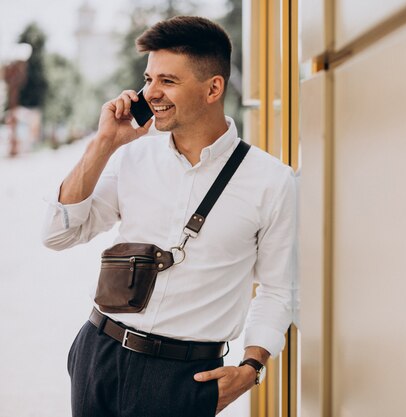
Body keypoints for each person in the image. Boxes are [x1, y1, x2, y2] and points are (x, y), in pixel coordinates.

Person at [42, 16, 296, 417]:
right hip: (99, 354)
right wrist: (104, 142)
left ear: (213, 88)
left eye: (168, 81)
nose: (150, 93)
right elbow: (57, 234)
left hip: (184, 378)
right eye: (148, 79)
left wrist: (251, 367)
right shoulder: (131, 156)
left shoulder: (272, 181)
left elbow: (278, 289)